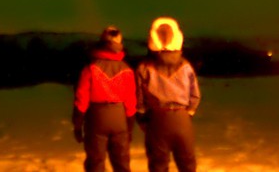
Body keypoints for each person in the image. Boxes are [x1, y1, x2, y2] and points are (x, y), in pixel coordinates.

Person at [135, 17, 200, 172]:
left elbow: (139, 98)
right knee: (187, 164)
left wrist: (143, 118)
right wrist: (188, 112)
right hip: (182, 118)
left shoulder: (145, 67)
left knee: (158, 164)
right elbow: (195, 94)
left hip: (157, 119)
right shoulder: (186, 66)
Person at [73, 25, 137, 172]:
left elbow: (81, 99)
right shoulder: (126, 69)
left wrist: (77, 124)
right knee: (122, 163)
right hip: (120, 118)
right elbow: (131, 101)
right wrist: (129, 128)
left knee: (95, 162)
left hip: (96, 119)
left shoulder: (91, 68)